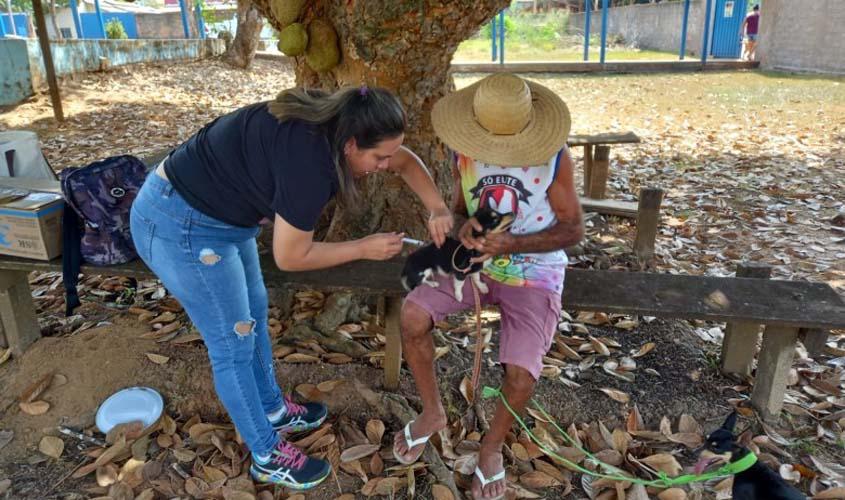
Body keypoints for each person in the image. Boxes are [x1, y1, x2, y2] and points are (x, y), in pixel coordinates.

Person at [129, 86, 453, 490]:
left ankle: (271, 408)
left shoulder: (344, 123)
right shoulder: (310, 166)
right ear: (350, 145)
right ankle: (266, 454)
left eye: (387, 155)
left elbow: (404, 161)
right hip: (182, 224)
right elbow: (291, 257)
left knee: (253, 314)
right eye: (378, 158)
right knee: (233, 343)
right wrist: (363, 248)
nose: (385, 165)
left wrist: (438, 207)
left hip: (221, 218)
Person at [392, 73, 584, 500]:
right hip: (475, 263)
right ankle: (432, 413)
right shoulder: (466, 149)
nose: (495, 154)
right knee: (412, 314)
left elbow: (573, 230)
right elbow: (463, 210)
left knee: (521, 373)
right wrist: (466, 228)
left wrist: (514, 244)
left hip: (534, 271)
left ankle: (491, 447)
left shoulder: (554, 157)